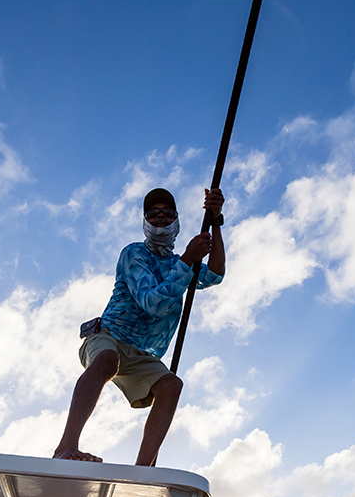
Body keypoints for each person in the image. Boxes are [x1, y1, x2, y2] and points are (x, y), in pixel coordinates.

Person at [53, 186, 226, 465]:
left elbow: (216, 274)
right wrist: (187, 259)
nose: (160, 218)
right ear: (145, 221)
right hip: (108, 336)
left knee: (171, 384)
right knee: (107, 360)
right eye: (153, 214)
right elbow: (152, 302)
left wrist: (216, 222)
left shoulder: (179, 263)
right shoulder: (134, 254)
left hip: (143, 353)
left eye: (166, 213)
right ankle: (65, 447)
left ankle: (143, 469)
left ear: (176, 220)